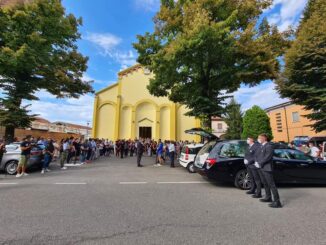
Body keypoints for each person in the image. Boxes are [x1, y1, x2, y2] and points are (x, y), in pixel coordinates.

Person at [255, 134, 282, 208]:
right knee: (265, 183)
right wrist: (257, 162)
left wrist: (260, 163)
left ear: (264, 138)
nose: (258, 139)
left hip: (267, 168)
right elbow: (258, 155)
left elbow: (268, 157)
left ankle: (277, 202)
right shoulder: (262, 146)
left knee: (271, 185)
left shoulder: (269, 146)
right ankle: (268, 197)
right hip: (262, 167)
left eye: (259, 138)